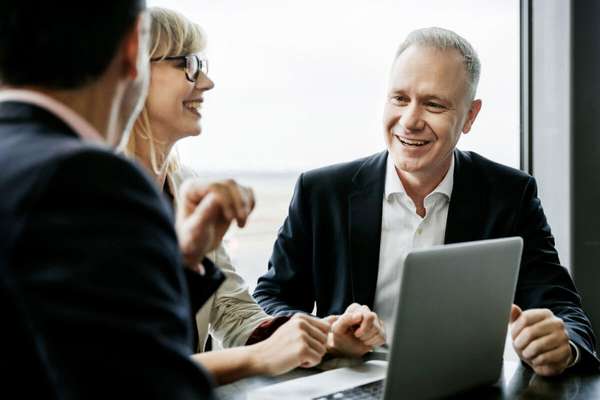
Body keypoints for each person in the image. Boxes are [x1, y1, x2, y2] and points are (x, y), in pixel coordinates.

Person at [254, 27, 600, 376]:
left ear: (470, 117)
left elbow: (563, 310)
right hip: (345, 383)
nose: (410, 121)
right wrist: (326, 336)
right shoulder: (322, 191)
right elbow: (268, 302)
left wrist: (562, 346)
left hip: (462, 389)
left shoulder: (510, 195)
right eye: (400, 99)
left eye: (433, 104)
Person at [121, 7, 385, 383]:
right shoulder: (98, 192)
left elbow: (230, 310)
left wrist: (321, 338)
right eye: (189, 65)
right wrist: (259, 357)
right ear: (135, 73)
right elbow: (125, 362)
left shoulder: (185, 186)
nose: (207, 82)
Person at [0, 1, 249, 398]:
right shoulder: (88, 177)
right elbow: (142, 384)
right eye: (189, 63)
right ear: (135, 47)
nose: (205, 82)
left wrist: (181, 263)